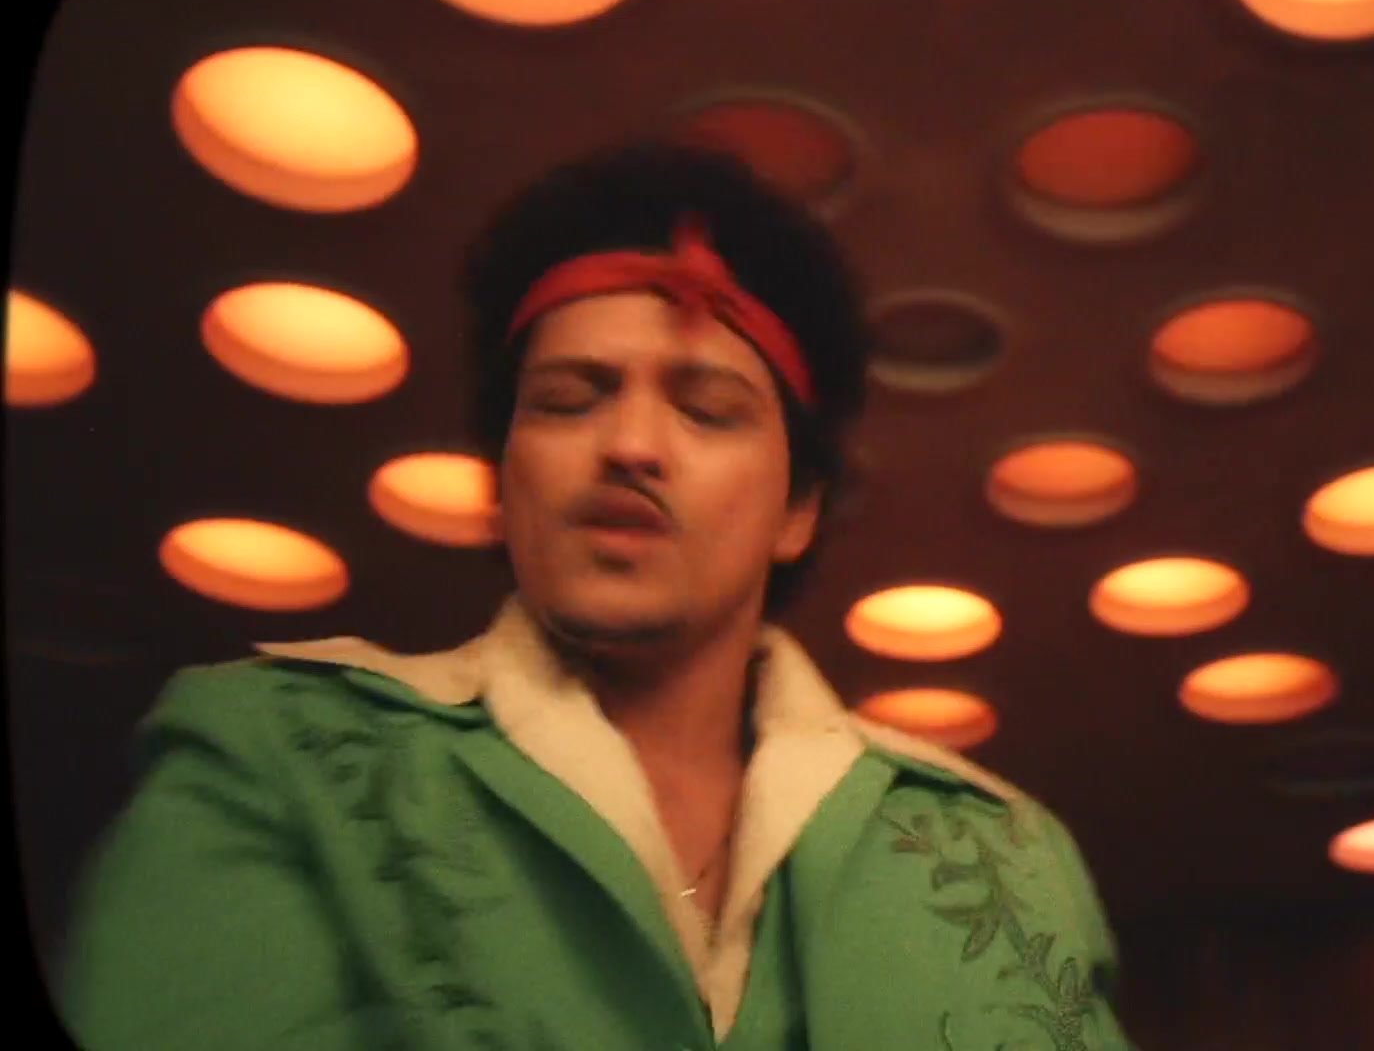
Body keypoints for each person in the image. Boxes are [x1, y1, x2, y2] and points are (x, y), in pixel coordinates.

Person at [58, 143, 1136, 1051]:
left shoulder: (1003, 853)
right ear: (501, 474)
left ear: (798, 509)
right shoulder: (281, 754)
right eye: (570, 399)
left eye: (707, 410)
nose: (630, 444)